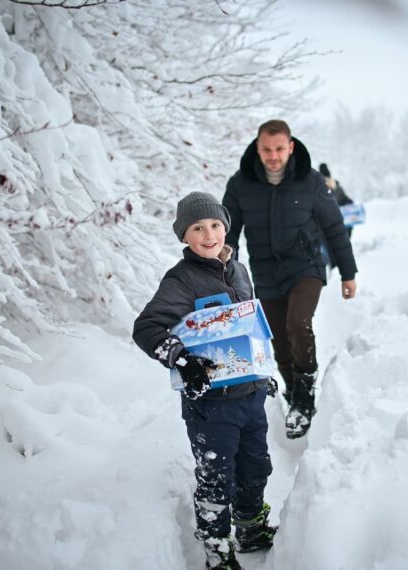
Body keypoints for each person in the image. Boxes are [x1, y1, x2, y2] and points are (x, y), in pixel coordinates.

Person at [132, 192, 277, 570]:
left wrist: (266, 371)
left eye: (214, 225)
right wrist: (184, 360)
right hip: (211, 405)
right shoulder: (181, 281)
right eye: (197, 228)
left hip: (250, 394)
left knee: (256, 467)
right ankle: (217, 549)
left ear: (225, 228)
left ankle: (250, 528)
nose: (209, 234)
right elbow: (146, 328)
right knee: (217, 478)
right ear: (184, 237)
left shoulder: (238, 270)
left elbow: (251, 327)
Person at [223, 120, 358, 439]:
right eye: (267, 149)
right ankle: (293, 391)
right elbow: (229, 232)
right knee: (279, 340)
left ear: (291, 147)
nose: (273, 156)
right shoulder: (240, 184)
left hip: (306, 267)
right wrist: (226, 271)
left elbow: (335, 227)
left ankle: (305, 395)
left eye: (279, 149)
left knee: (298, 322)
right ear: (258, 147)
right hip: (265, 271)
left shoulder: (309, 181)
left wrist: (348, 273)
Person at [318, 162, 355, 267]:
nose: (327, 181)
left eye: (327, 179)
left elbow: (347, 200)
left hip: (337, 223)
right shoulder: (320, 189)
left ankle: (334, 263)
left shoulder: (335, 188)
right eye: (324, 179)